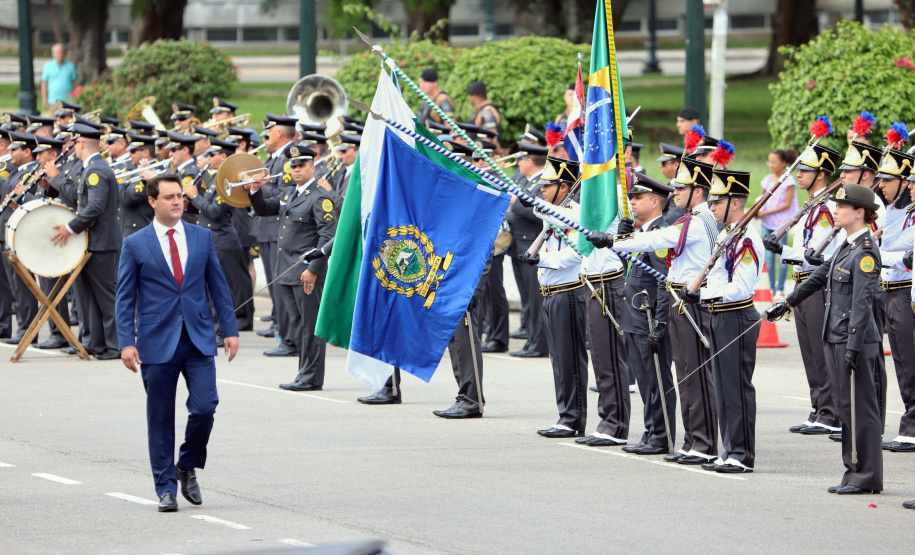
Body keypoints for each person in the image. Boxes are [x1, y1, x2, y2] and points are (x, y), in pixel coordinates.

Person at [115, 173, 239, 512]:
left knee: (205, 406)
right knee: (160, 417)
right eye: (169, 197)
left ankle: (187, 464)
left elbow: (218, 285)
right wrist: (127, 342)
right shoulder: (135, 244)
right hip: (156, 341)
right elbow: (124, 298)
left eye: (180, 196)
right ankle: (165, 488)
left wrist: (230, 329)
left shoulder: (201, 237)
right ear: (152, 201)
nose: (177, 202)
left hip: (198, 339)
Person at [589, 157, 719, 464]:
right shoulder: (692, 221)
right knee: (672, 379)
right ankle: (683, 439)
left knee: (687, 379)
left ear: (698, 192)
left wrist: (614, 240)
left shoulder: (692, 223)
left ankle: (684, 439)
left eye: (682, 188)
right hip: (660, 309)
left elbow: (660, 250)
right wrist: (621, 239)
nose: (676, 192)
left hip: (675, 308)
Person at [767, 183, 883, 495]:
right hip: (835, 335)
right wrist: (787, 302)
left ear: (860, 213)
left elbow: (862, 302)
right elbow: (819, 277)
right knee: (845, 406)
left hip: (853, 338)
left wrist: (855, 345)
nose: (836, 209)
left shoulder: (866, 251)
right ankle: (852, 470)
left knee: (862, 408)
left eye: (843, 206)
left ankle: (867, 475)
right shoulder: (846, 246)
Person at [682, 167, 761, 474]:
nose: (711, 206)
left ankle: (742, 454)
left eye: (718, 201)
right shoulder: (729, 234)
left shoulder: (746, 239)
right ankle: (730, 448)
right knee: (723, 388)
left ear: (736, 203)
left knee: (736, 387)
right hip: (720, 316)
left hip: (736, 316)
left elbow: (740, 287)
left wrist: (702, 295)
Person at [763, 144, 843, 437]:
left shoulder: (826, 210)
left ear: (821, 175)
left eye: (806, 171)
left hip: (817, 284)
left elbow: (815, 253)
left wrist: (783, 250)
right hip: (802, 282)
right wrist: (782, 249)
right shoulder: (809, 207)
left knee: (820, 352)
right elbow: (803, 249)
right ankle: (818, 408)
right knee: (809, 352)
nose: (799, 176)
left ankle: (830, 412)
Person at [248, 143, 336, 392]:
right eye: (293, 165)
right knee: (297, 325)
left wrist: (314, 269)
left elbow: (328, 236)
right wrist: (256, 190)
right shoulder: (289, 193)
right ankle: (303, 372)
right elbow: (264, 209)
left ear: (312, 167)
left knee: (310, 326)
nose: (296, 169)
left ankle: (311, 377)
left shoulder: (320, 198)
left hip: (306, 271)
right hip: (286, 270)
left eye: (302, 165)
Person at [520, 156, 587, 438]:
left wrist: (543, 261)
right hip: (550, 294)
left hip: (568, 293)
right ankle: (565, 414)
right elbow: (546, 225)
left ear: (564, 187)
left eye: (548, 186)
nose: (542, 190)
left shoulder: (574, 213)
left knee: (570, 359)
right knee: (559, 359)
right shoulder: (555, 213)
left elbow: (577, 252)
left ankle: (573, 419)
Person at [50, 123, 122, 360]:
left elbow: (95, 207)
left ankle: (115, 345)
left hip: (100, 243)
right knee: (90, 297)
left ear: (80, 143)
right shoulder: (93, 167)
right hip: (93, 242)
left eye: (75, 142)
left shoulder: (96, 170)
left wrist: (71, 227)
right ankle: (97, 344)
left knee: (105, 296)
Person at [616, 175, 676, 455]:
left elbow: (664, 282)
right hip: (635, 317)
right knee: (643, 380)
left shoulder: (661, 234)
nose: (632, 202)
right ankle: (651, 430)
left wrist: (661, 322)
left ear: (655, 202)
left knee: (657, 380)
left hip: (650, 318)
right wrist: (626, 236)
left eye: (638, 198)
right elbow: (628, 269)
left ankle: (661, 435)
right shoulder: (643, 235)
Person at [873, 148, 915, 454]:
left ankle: (912, 427)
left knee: (909, 364)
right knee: (902, 362)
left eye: (889, 180)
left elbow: (893, 254)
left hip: (904, 292)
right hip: (892, 292)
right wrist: (898, 204)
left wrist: (873, 253)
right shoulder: (905, 212)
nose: (881, 185)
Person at [252, 113, 297, 357]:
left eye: (269, 133)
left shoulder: (290, 158)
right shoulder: (275, 158)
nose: (266, 137)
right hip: (266, 228)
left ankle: (289, 338)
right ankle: (282, 332)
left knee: (282, 289)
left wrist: (259, 185)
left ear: (279, 133)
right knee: (276, 289)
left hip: (277, 229)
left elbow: (286, 192)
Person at [506, 142, 550, 358]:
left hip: (532, 246)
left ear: (530, 161)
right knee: (528, 300)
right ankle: (531, 340)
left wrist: (516, 202)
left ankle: (538, 344)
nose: (518, 163)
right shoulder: (528, 181)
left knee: (535, 299)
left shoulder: (542, 182)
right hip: (520, 246)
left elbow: (539, 213)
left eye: (521, 159)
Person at [754, 149, 799, 300]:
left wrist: (765, 213)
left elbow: (787, 204)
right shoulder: (767, 180)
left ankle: (780, 289)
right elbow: (761, 198)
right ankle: (771, 288)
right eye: (769, 161)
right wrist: (756, 210)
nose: (771, 165)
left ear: (783, 163)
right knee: (769, 257)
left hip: (781, 225)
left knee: (782, 256)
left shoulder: (789, 181)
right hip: (767, 224)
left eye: (774, 162)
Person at [41, 44, 76, 111]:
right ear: (53, 54)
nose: (60, 54)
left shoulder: (70, 66)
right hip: (54, 101)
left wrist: (75, 96)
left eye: (61, 52)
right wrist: (44, 99)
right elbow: (44, 84)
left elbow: (74, 82)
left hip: (68, 101)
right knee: (54, 120)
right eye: (57, 52)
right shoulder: (48, 66)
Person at [658, 142, 686, 224]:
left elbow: (672, 219)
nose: (660, 165)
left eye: (664, 163)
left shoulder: (681, 189)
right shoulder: (670, 185)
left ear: (676, 165)